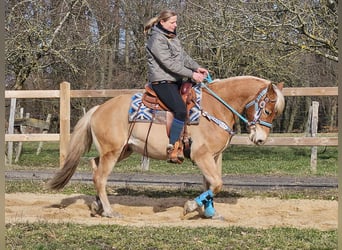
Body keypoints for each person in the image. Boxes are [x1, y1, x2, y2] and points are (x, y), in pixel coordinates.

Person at [144, 9, 208, 163]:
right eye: (172, 22)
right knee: (180, 110)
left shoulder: (172, 37)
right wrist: (192, 75)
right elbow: (169, 63)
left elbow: (183, 57)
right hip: (162, 82)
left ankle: (189, 139)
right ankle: (173, 146)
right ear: (162, 22)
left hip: (175, 80)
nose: (175, 25)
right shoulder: (156, 40)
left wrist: (196, 67)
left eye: (175, 22)